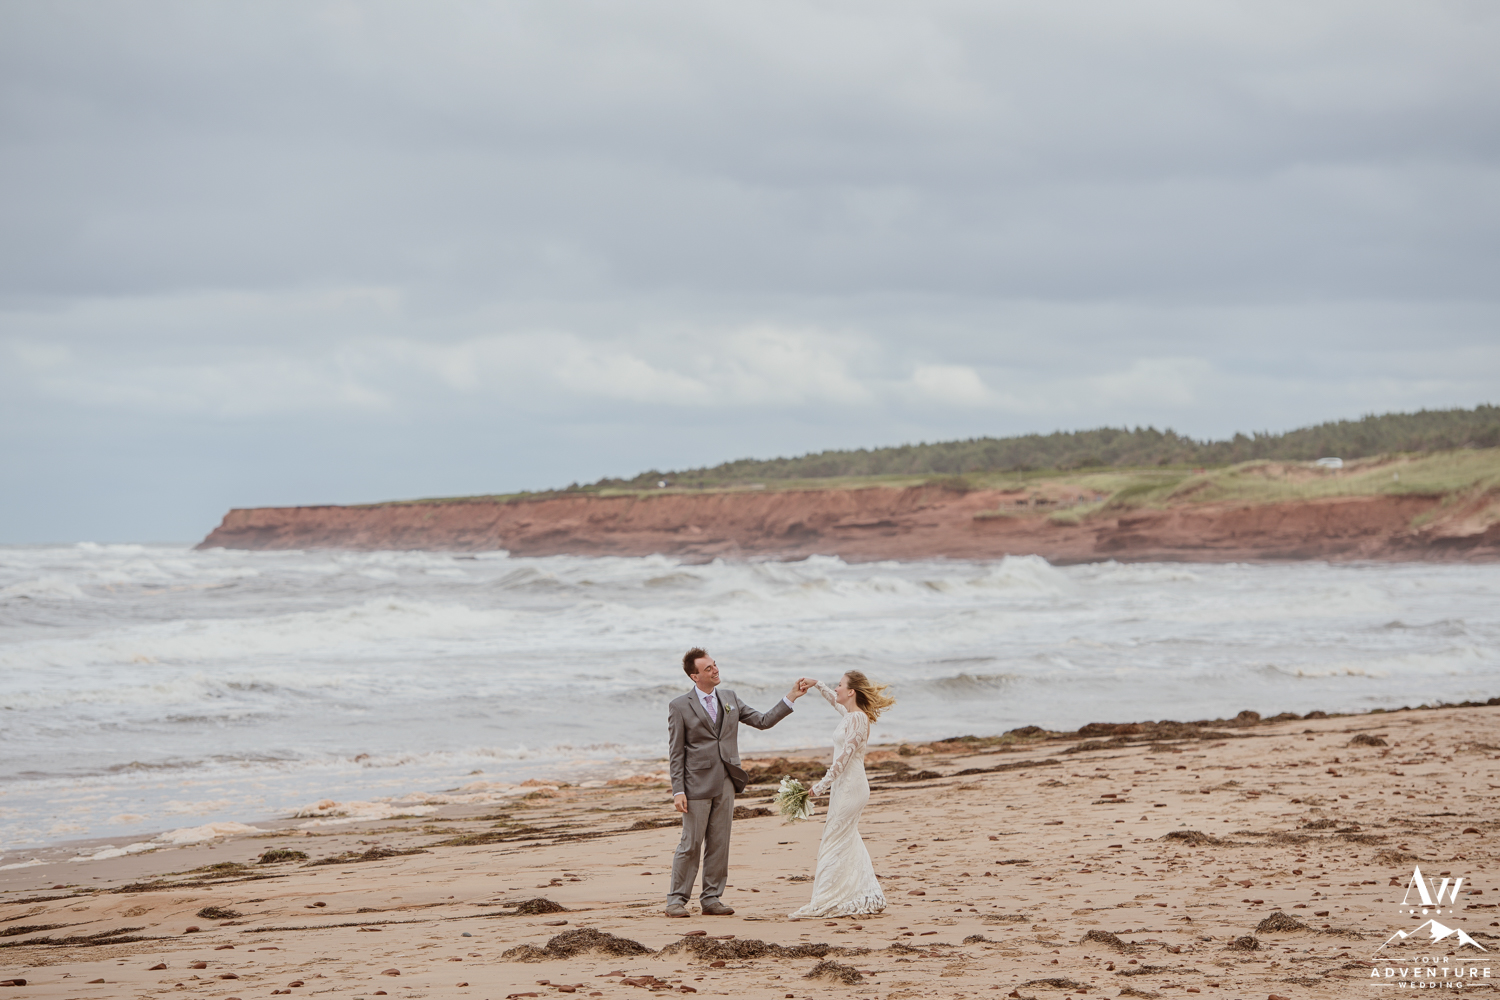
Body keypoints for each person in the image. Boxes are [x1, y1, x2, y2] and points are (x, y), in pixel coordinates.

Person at [666, 648, 814, 918]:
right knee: (691, 843)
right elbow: (677, 752)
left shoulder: (730, 698)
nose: (715, 670)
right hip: (695, 785)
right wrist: (678, 790)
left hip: (727, 780)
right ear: (694, 676)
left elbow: (762, 721)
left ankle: (711, 898)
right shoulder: (679, 706)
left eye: (715, 665)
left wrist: (791, 696)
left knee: (720, 843)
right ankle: (676, 900)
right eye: (708, 668)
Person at [789, 671, 895, 919]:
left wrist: (820, 785)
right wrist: (818, 685)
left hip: (851, 787)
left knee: (833, 841)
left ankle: (826, 899)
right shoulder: (851, 715)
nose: (836, 689)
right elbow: (834, 701)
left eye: (840, 685)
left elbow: (844, 759)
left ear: (851, 692)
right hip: (844, 786)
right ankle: (865, 892)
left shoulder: (857, 719)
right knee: (846, 839)